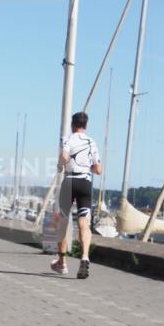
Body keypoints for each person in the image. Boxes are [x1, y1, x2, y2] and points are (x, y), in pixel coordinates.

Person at [52, 112, 102, 279]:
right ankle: (85, 257)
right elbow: (98, 169)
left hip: (70, 182)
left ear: (72, 125)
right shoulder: (92, 142)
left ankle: (62, 263)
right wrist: (89, 168)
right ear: (86, 126)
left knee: (63, 221)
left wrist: (60, 166)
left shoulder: (68, 139)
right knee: (83, 222)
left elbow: (64, 156)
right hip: (85, 183)